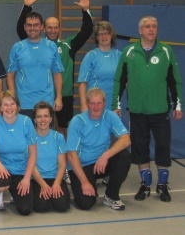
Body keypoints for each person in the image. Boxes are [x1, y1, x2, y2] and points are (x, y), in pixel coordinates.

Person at [112, 16, 183, 202]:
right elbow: (119, 80)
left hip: (160, 111)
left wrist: (178, 105)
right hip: (137, 112)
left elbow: (174, 82)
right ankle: (145, 185)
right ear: (140, 30)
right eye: (147, 26)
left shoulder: (166, 51)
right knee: (141, 149)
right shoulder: (128, 52)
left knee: (162, 148)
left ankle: (162, 185)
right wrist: (116, 105)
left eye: (154, 26)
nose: (151, 29)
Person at [16, 0, 92, 134]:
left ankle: (62, 157)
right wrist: (27, 7)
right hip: (42, 97)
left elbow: (86, 31)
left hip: (64, 96)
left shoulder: (69, 45)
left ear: (59, 29)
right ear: (44, 29)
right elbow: (21, 29)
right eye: (49, 27)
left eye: (55, 27)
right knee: (40, 130)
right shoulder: (35, 44)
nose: (52, 30)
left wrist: (86, 10)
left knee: (64, 130)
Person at [67, 88, 131, 210]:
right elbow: (71, 155)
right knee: (85, 204)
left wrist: (105, 155)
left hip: (101, 163)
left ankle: (111, 196)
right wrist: (85, 183)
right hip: (82, 166)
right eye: (92, 103)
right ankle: (88, 185)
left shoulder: (110, 116)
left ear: (104, 103)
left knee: (124, 156)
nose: (96, 107)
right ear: (87, 104)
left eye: (99, 103)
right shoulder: (77, 121)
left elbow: (126, 139)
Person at [7, 11, 64, 120]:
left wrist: (59, 97)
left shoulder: (51, 46)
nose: (32, 28)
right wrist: (14, 101)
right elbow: (10, 76)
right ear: (24, 27)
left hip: (46, 103)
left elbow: (57, 74)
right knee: (26, 136)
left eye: (36, 25)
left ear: (42, 27)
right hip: (24, 104)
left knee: (45, 136)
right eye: (29, 25)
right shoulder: (17, 47)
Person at [0, 91, 37, 215]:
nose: (9, 108)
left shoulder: (26, 122)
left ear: (17, 106)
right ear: (0, 107)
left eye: (12, 104)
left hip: (20, 169)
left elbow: (33, 153)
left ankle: (13, 193)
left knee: (25, 209)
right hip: (2, 168)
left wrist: (27, 178)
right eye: (5, 105)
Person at [31, 101, 70, 212]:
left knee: (62, 206)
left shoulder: (58, 137)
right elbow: (31, 165)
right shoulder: (30, 138)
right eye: (39, 117)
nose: (43, 120)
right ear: (35, 120)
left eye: (46, 116)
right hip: (38, 179)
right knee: (41, 207)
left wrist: (57, 184)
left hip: (55, 177)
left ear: (51, 119)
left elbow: (62, 164)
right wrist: (43, 185)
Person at [78, 21, 121, 112]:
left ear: (111, 35)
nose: (104, 37)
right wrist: (83, 105)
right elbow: (83, 83)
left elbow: (126, 82)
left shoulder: (119, 56)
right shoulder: (91, 56)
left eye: (106, 33)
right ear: (97, 37)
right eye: (100, 34)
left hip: (114, 105)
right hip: (95, 104)